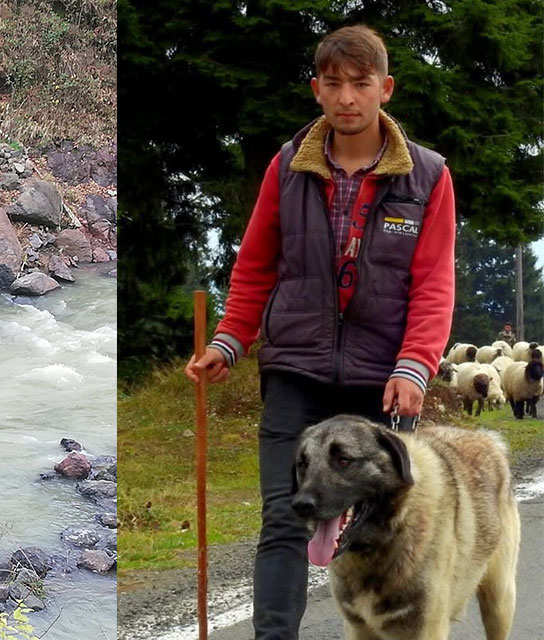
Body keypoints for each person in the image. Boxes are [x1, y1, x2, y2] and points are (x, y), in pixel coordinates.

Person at [182, 25, 455, 640]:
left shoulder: (429, 177)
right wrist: (229, 341)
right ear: (317, 90)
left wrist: (415, 365)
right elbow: (255, 267)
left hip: (379, 382)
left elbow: (434, 283)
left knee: (382, 526)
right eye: (333, 84)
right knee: (283, 517)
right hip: (294, 373)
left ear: (384, 89)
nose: (347, 98)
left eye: (360, 84)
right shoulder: (287, 166)